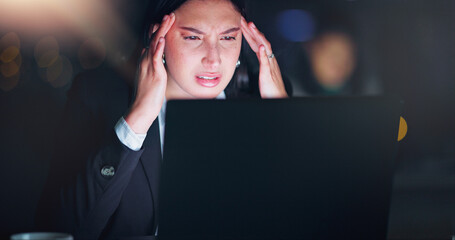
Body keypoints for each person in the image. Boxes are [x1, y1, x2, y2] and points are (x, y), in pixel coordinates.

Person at [36, 0, 290, 239]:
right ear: (158, 36)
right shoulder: (98, 96)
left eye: (228, 38)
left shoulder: (261, 100)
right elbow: (63, 229)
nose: (213, 59)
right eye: (193, 37)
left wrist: (281, 119)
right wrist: (136, 121)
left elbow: (303, 221)